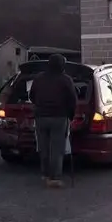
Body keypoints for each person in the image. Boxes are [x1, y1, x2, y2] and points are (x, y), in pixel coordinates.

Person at [29, 54, 77, 188]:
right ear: (62, 65)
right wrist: (71, 116)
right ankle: (54, 177)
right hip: (59, 117)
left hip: (40, 117)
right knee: (56, 149)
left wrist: (39, 105)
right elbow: (73, 100)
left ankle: (44, 174)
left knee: (43, 147)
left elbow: (31, 95)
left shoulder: (39, 78)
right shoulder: (66, 80)